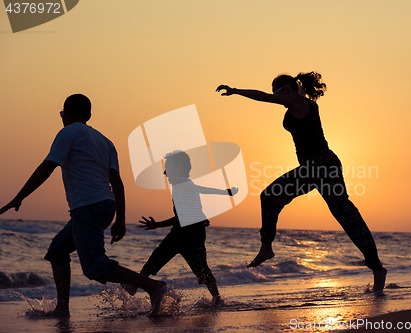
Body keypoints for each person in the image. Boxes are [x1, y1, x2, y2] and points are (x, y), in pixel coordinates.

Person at [216, 72, 387, 293]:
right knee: (271, 197)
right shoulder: (299, 100)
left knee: (347, 217)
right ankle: (266, 247)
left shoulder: (297, 101)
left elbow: (263, 97)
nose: (275, 97)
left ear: (285, 90)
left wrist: (236, 91)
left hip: (321, 164)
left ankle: (377, 269)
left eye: (276, 92)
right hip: (313, 168)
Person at [0, 94, 168, 316]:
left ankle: (153, 286)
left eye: (62, 113)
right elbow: (117, 183)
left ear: (65, 113)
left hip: (88, 207)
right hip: (105, 205)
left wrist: (19, 197)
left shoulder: (68, 132)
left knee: (93, 267)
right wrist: (120, 219)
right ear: (89, 115)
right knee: (58, 251)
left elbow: (48, 166)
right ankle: (62, 308)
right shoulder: (105, 141)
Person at [122, 150, 238, 305]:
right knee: (201, 269)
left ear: (178, 168)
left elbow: (201, 192)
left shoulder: (182, 184)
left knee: (155, 260)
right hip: (194, 232)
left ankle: (134, 287)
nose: (164, 172)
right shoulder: (182, 185)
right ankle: (217, 298)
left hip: (183, 232)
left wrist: (224, 193)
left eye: (168, 168)